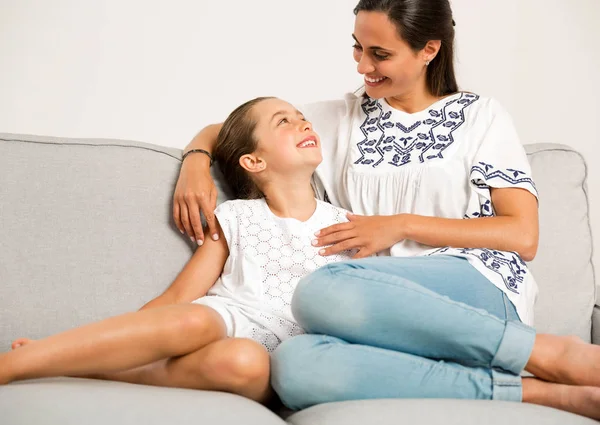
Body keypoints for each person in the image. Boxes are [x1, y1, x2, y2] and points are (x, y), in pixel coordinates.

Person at [172, 0, 600, 420]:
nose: (362, 66)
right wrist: (195, 160)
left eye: (380, 54)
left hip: (474, 286)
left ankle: (547, 353)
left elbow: (522, 236)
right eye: (357, 47)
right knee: (294, 365)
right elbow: (232, 128)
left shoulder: (480, 116)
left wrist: (402, 226)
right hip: (376, 315)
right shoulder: (336, 119)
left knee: (322, 291)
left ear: (428, 50)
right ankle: (527, 393)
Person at [0, 96, 355, 405]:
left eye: (301, 117)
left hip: (280, 352)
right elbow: (179, 296)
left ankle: (105, 373)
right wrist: (127, 337)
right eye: (284, 121)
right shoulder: (236, 217)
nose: (303, 122)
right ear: (253, 162)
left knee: (245, 362)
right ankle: (20, 363)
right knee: (193, 317)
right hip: (228, 319)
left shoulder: (352, 225)